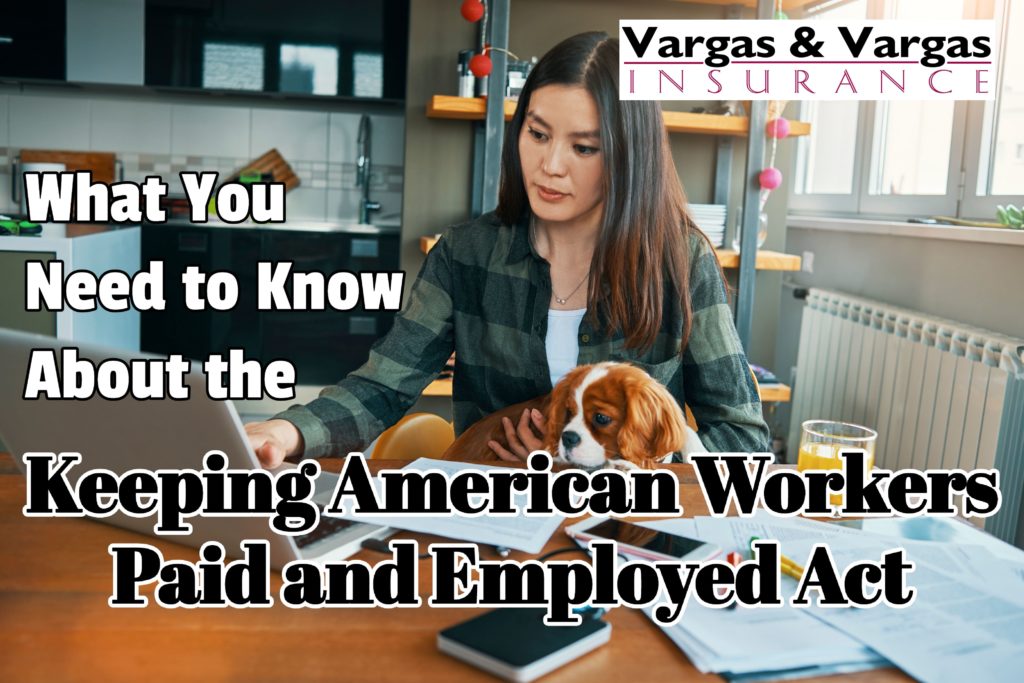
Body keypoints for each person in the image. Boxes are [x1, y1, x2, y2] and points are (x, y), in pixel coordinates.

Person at [246, 31, 771, 468]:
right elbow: (382, 387)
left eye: (583, 147)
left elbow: (745, 441)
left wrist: (630, 466)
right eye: (537, 134)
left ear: (627, 158)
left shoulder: (681, 261)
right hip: (492, 520)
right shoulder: (463, 256)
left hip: (623, 536)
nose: (551, 165)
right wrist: (285, 431)